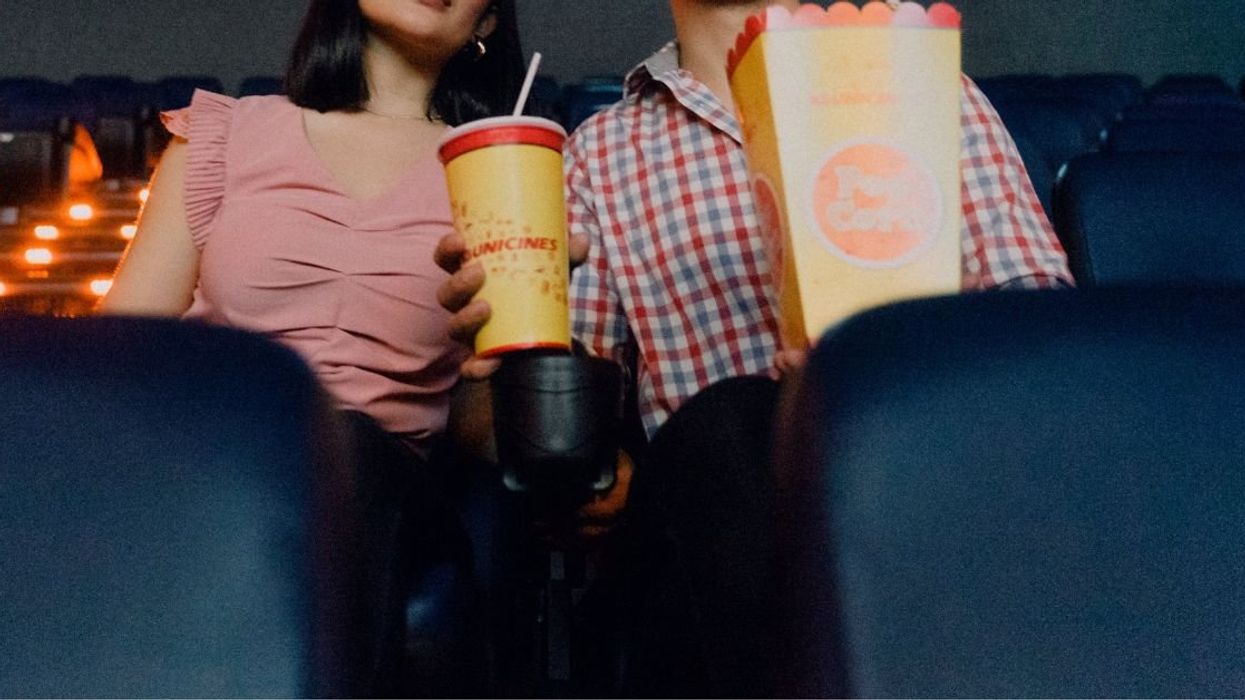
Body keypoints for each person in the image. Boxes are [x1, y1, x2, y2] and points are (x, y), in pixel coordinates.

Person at [435, 0, 1074, 694]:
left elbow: (1041, 337)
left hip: (930, 490)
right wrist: (503, 353)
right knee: (733, 421)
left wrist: (876, 373)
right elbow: (553, 432)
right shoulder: (600, 153)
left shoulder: (924, 87)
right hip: (712, 533)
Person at [99, 0, 524, 694]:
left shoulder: (497, 174)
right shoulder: (224, 136)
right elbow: (124, 358)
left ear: (484, 25)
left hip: (392, 489)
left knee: (344, 442)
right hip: (220, 471)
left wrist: (504, 364)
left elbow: (482, 433)